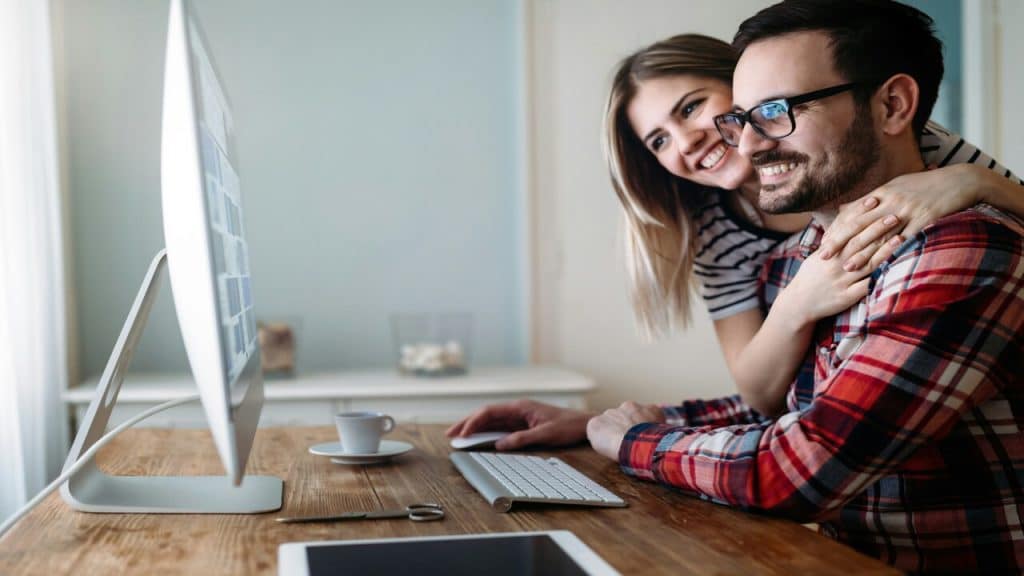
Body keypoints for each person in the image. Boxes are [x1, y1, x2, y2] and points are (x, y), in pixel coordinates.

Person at [585, 0, 1024, 571]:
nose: (742, 143)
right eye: (742, 120)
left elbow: (798, 464)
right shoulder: (779, 248)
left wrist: (635, 441)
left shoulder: (957, 232)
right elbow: (786, 399)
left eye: (774, 110)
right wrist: (622, 421)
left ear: (893, 105)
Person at [448, 30, 1024, 448]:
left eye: (692, 107)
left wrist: (970, 179)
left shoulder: (889, 139)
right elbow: (764, 390)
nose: (686, 141)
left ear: (749, 89)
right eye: (658, 141)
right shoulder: (719, 230)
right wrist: (803, 296)